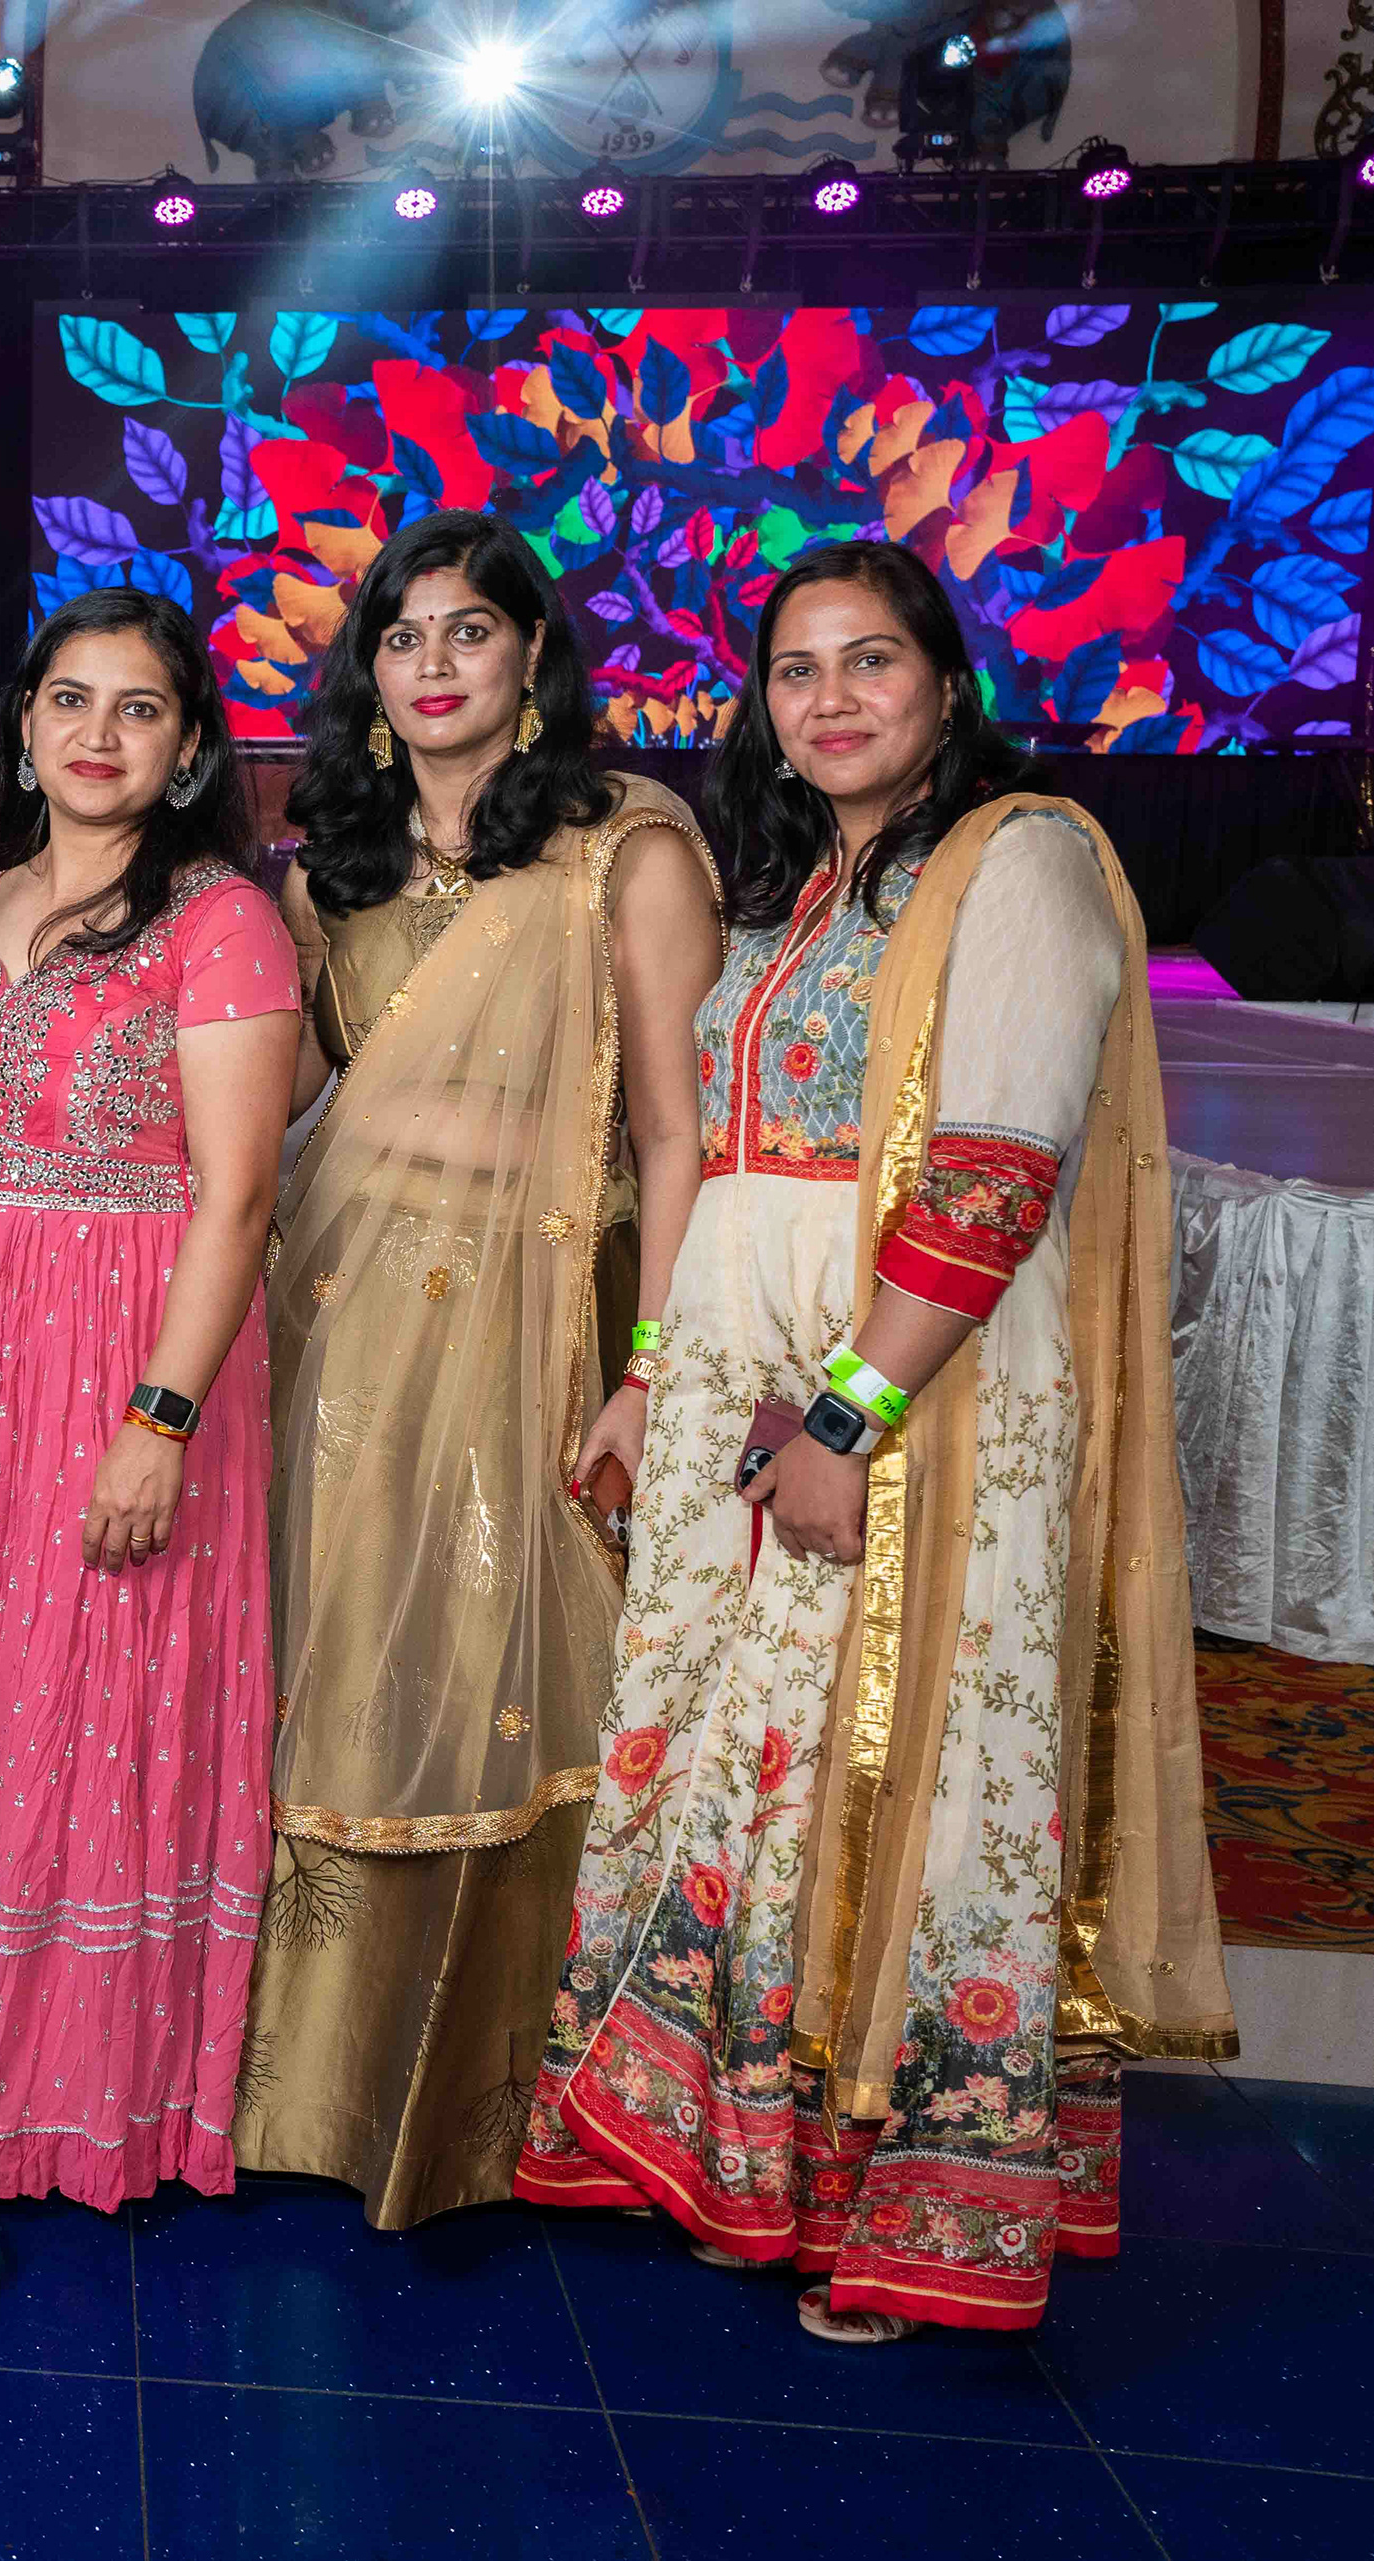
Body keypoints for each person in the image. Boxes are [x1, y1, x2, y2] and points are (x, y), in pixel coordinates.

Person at [517, 540, 1232, 2338]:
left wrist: (847, 1416)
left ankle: (898, 2206)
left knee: (893, 1768)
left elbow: (991, 1177)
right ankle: (752, 2162)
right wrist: (655, 1374)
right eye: (796, 668)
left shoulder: (1022, 858)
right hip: (742, 1404)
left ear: (945, 681)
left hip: (911, 1400)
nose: (829, 697)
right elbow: (726, 1164)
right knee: (755, 1775)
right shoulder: (807, 885)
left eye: (870, 660)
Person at [231, 512, 720, 2228]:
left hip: (543, 1322)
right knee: (346, 1653)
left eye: (469, 630)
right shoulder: (329, 870)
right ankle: (304, 2095)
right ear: (367, 674)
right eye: (402, 635)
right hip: (346, 1325)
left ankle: (502, 2112)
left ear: (532, 658)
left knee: (511, 1658)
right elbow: (287, 1100)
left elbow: (676, 1136)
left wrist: (653, 1371)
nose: (433, 663)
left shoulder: (621, 848)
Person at [0, 588, 302, 2211]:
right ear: (24, 725)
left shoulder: (221, 922)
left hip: (135, 1358)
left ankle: (94, 2098)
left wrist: (160, 1418)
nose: (99, 734)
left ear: (189, 747)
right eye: (70, 699)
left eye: (140, 708)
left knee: (103, 1703)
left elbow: (240, 1197)